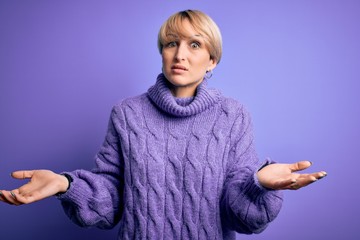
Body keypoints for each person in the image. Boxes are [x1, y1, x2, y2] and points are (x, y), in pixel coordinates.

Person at [0, 9, 326, 240]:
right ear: (162, 52)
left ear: (212, 60)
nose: (180, 54)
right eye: (171, 43)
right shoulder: (127, 114)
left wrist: (258, 183)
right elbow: (111, 198)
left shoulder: (233, 116)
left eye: (194, 44)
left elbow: (239, 214)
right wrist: (65, 184)